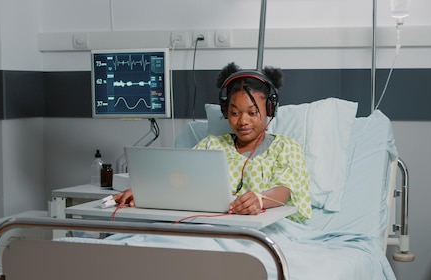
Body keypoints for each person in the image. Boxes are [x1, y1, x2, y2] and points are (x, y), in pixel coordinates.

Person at [114, 62, 311, 222]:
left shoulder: (285, 147)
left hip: (264, 226)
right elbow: (179, 177)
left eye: (252, 113)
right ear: (225, 111)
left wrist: (260, 199)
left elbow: (285, 190)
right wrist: (145, 191)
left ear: (269, 109)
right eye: (234, 113)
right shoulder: (211, 145)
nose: (243, 121)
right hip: (210, 224)